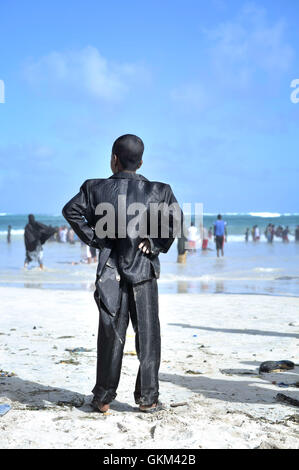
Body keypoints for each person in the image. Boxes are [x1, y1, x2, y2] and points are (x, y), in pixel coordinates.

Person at [62, 134, 181, 414]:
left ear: (114, 159)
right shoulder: (160, 190)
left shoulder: (95, 188)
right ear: (140, 162)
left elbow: (71, 211)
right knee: (148, 336)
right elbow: (176, 220)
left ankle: (103, 398)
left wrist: (96, 239)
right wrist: (154, 244)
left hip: (110, 270)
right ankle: (148, 398)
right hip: (143, 270)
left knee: (111, 334)